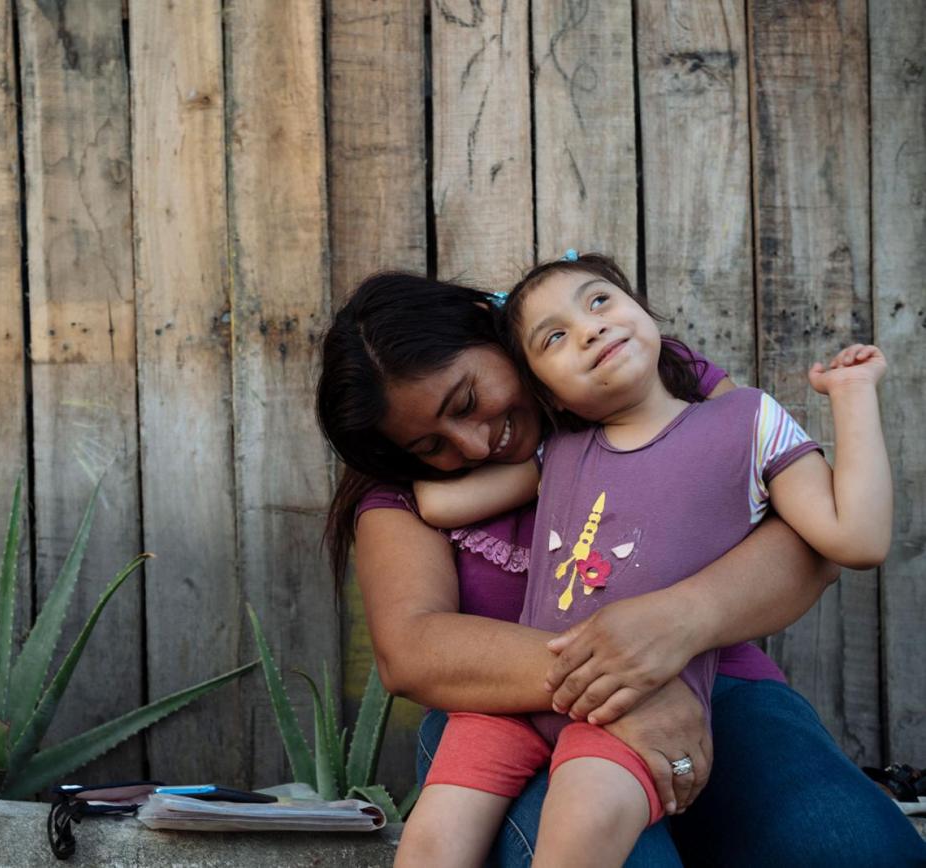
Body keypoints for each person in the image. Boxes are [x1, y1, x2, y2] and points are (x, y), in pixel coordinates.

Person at [316, 268, 926, 866]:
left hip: (713, 684)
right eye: (431, 447)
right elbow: (412, 648)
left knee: (852, 847)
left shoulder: (630, 370)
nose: (472, 446)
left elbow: (807, 539)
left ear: (496, 332)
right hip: (502, 709)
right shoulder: (404, 487)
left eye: (469, 400)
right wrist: (623, 681)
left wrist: (679, 621)